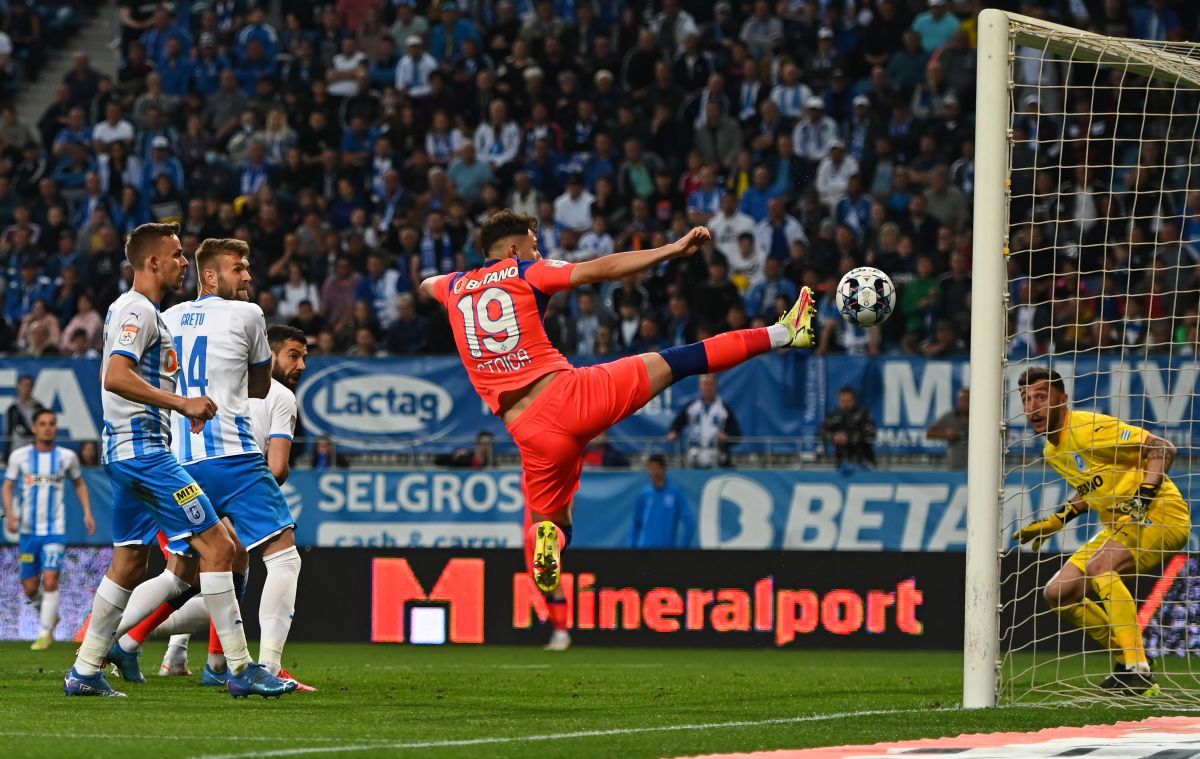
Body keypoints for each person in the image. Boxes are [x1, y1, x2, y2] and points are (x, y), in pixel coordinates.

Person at [420, 210, 816, 594]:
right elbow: (602, 269)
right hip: (571, 396)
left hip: (528, 433)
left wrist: (449, 283)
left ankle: (550, 542)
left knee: (557, 524)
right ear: (511, 250)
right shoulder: (527, 272)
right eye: (533, 245)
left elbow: (427, 284)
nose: (538, 253)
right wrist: (670, 250)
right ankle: (785, 333)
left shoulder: (453, 286)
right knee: (681, 360)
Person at [66, 222, 293, 698]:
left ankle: (85, 669)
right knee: (220, 550)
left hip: (126, 454)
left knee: (130, 561)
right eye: (175, 257)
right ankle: (239, 668)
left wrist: (174, 408)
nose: (182, 264)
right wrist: (182, 404)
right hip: (146, 455)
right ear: (152, 262)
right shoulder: (139, 311)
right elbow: (115, 376)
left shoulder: (144, 311)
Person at [151, 238, 305, 689]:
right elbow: (260, 388)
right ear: (212, 276)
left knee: (189, 571)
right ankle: (268, 667)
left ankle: (99, 644)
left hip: (178, 460)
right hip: (233, 457)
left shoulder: (169, 317)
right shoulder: (248, 314)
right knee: (283, 556)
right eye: (239, 269)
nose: (249, 277)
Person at [1013, 366, 1190, 697]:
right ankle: (1127, 660)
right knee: (1058, 593)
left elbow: (1162, 448)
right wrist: (1059, 519)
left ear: (1062, 400)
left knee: (1100, 569)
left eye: (1041, 397)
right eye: (1026, 399)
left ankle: (1139, 669)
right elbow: (1094, 483)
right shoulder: (1052, 450)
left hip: (1160, 514)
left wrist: (1144, 495)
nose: (1033, 406)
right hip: (1121, 524)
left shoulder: (1088, 428)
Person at [3, 409, 94, 650]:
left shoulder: (66, 457)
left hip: (55, 531)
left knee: (51, 578)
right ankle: (50, 616)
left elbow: (80, 483)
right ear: (34, 428)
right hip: (27, 533)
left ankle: (45, 632)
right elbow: (8, 486)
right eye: (42, 423)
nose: (47, 427)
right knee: (30, 587)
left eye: (52, 423)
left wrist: (87, 512)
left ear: (56, 428)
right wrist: (11, 513)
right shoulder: (19, 456)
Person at [667, 373, 742, 468]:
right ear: (700, 385)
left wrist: (726, 437)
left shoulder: (723, 409)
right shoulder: (692, 406)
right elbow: (678, 423)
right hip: (694, 455)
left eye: (710, 384)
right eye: (705, 384)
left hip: (717, 456)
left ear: (716, 385)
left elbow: (737, 435)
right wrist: (674, 432)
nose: (707, 388)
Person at [630, 454, 695, 548]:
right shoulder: (644, 494)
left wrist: (684, 546)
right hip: (646, 549)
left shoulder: (675, 493)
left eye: (657, 468)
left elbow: (689, 521)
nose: (654, 472)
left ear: (664, 469)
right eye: (651, 469)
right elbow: (636, 523)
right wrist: (633, 546)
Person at [820, 386, 876, 466]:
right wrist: (833, 437)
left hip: (863, 461)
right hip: (842, 463)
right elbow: (821, 432)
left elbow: (871, 433)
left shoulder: (864, 415)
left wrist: (849, 438)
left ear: (854, 400)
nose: (845, 403)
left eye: (848, 400)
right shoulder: (834, 416)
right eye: (843, 401)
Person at [927, 387, 969, 469]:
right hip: (955, 466)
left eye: (967, 400)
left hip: (976, 468)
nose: (964, 403)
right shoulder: (950, 417)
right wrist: (946, 434)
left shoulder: (979, 419)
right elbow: (929, 433)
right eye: (962, 400)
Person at [5, 374, 45, 458]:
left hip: (35, 451)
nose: (26, 389)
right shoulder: (12, 409)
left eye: (29, 386)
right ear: (18, 386)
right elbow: (8, 433)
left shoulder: (39, 408)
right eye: (23, 385)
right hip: (16, 451)